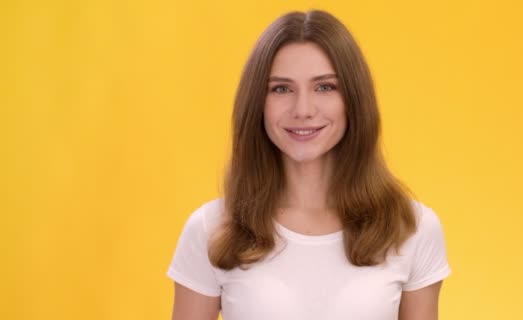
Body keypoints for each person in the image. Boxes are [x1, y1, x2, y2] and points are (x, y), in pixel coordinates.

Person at [167, 9, 451, 320]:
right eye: (281, 88)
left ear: (353, 99)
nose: (303, 109)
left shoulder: (412, 228)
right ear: (257, 104)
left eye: (325, 87)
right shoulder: (212, 229)